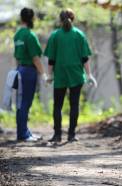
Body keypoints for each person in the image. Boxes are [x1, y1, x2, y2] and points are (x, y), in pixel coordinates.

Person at [44, 8, 97, 142]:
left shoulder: (55, 35)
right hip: (76, 74)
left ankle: (57, 135)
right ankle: (71, 135)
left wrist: (49, 75)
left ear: (60, 20)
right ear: (73, 19)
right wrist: (89, 74)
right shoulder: (79, 35)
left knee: (57, 105)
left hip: (60, 74)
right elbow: (85, 58)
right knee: (74, 105)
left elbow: (51, 59)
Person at [14, 7, 48, 142]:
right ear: (32, 19)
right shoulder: (30, 35)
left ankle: (23, 131)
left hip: (20, 69)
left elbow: (16, 56)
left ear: (21, 18)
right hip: (29, 71)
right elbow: (35, 58)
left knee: (20, 103)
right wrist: (44, 74)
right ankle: (23, 134)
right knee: (25, 102)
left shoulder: (17, 35)